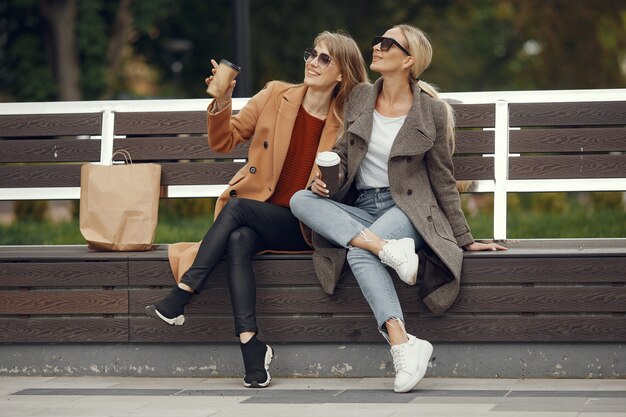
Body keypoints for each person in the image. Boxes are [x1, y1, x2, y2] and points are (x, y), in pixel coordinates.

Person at [144, 31, 368, 389]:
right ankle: (252, 348)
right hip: (262, 215)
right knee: (239, 239)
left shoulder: (348, 121)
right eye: (311, 53)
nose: (312, 61)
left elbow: (351, 182)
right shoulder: (276, 94)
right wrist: (221, 102)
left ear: (342, 73)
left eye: (325, 59)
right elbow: (224, 140)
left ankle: (183, 293)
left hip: (306, 224)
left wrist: (330, 188)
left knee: (238, 213)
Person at [289, 24, 506, 393]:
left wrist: (465, 238)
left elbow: (442, 181)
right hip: (362, 207)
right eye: (378, 40)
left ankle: (401, 343)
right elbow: (343, 154)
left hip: (408, 209)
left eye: (388, 44)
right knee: (300, 199)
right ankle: (385, 249)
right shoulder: (359, 97)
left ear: (408, 60)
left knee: (359, 256)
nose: (377, 46)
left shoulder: (431, 112)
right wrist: (328, 179)